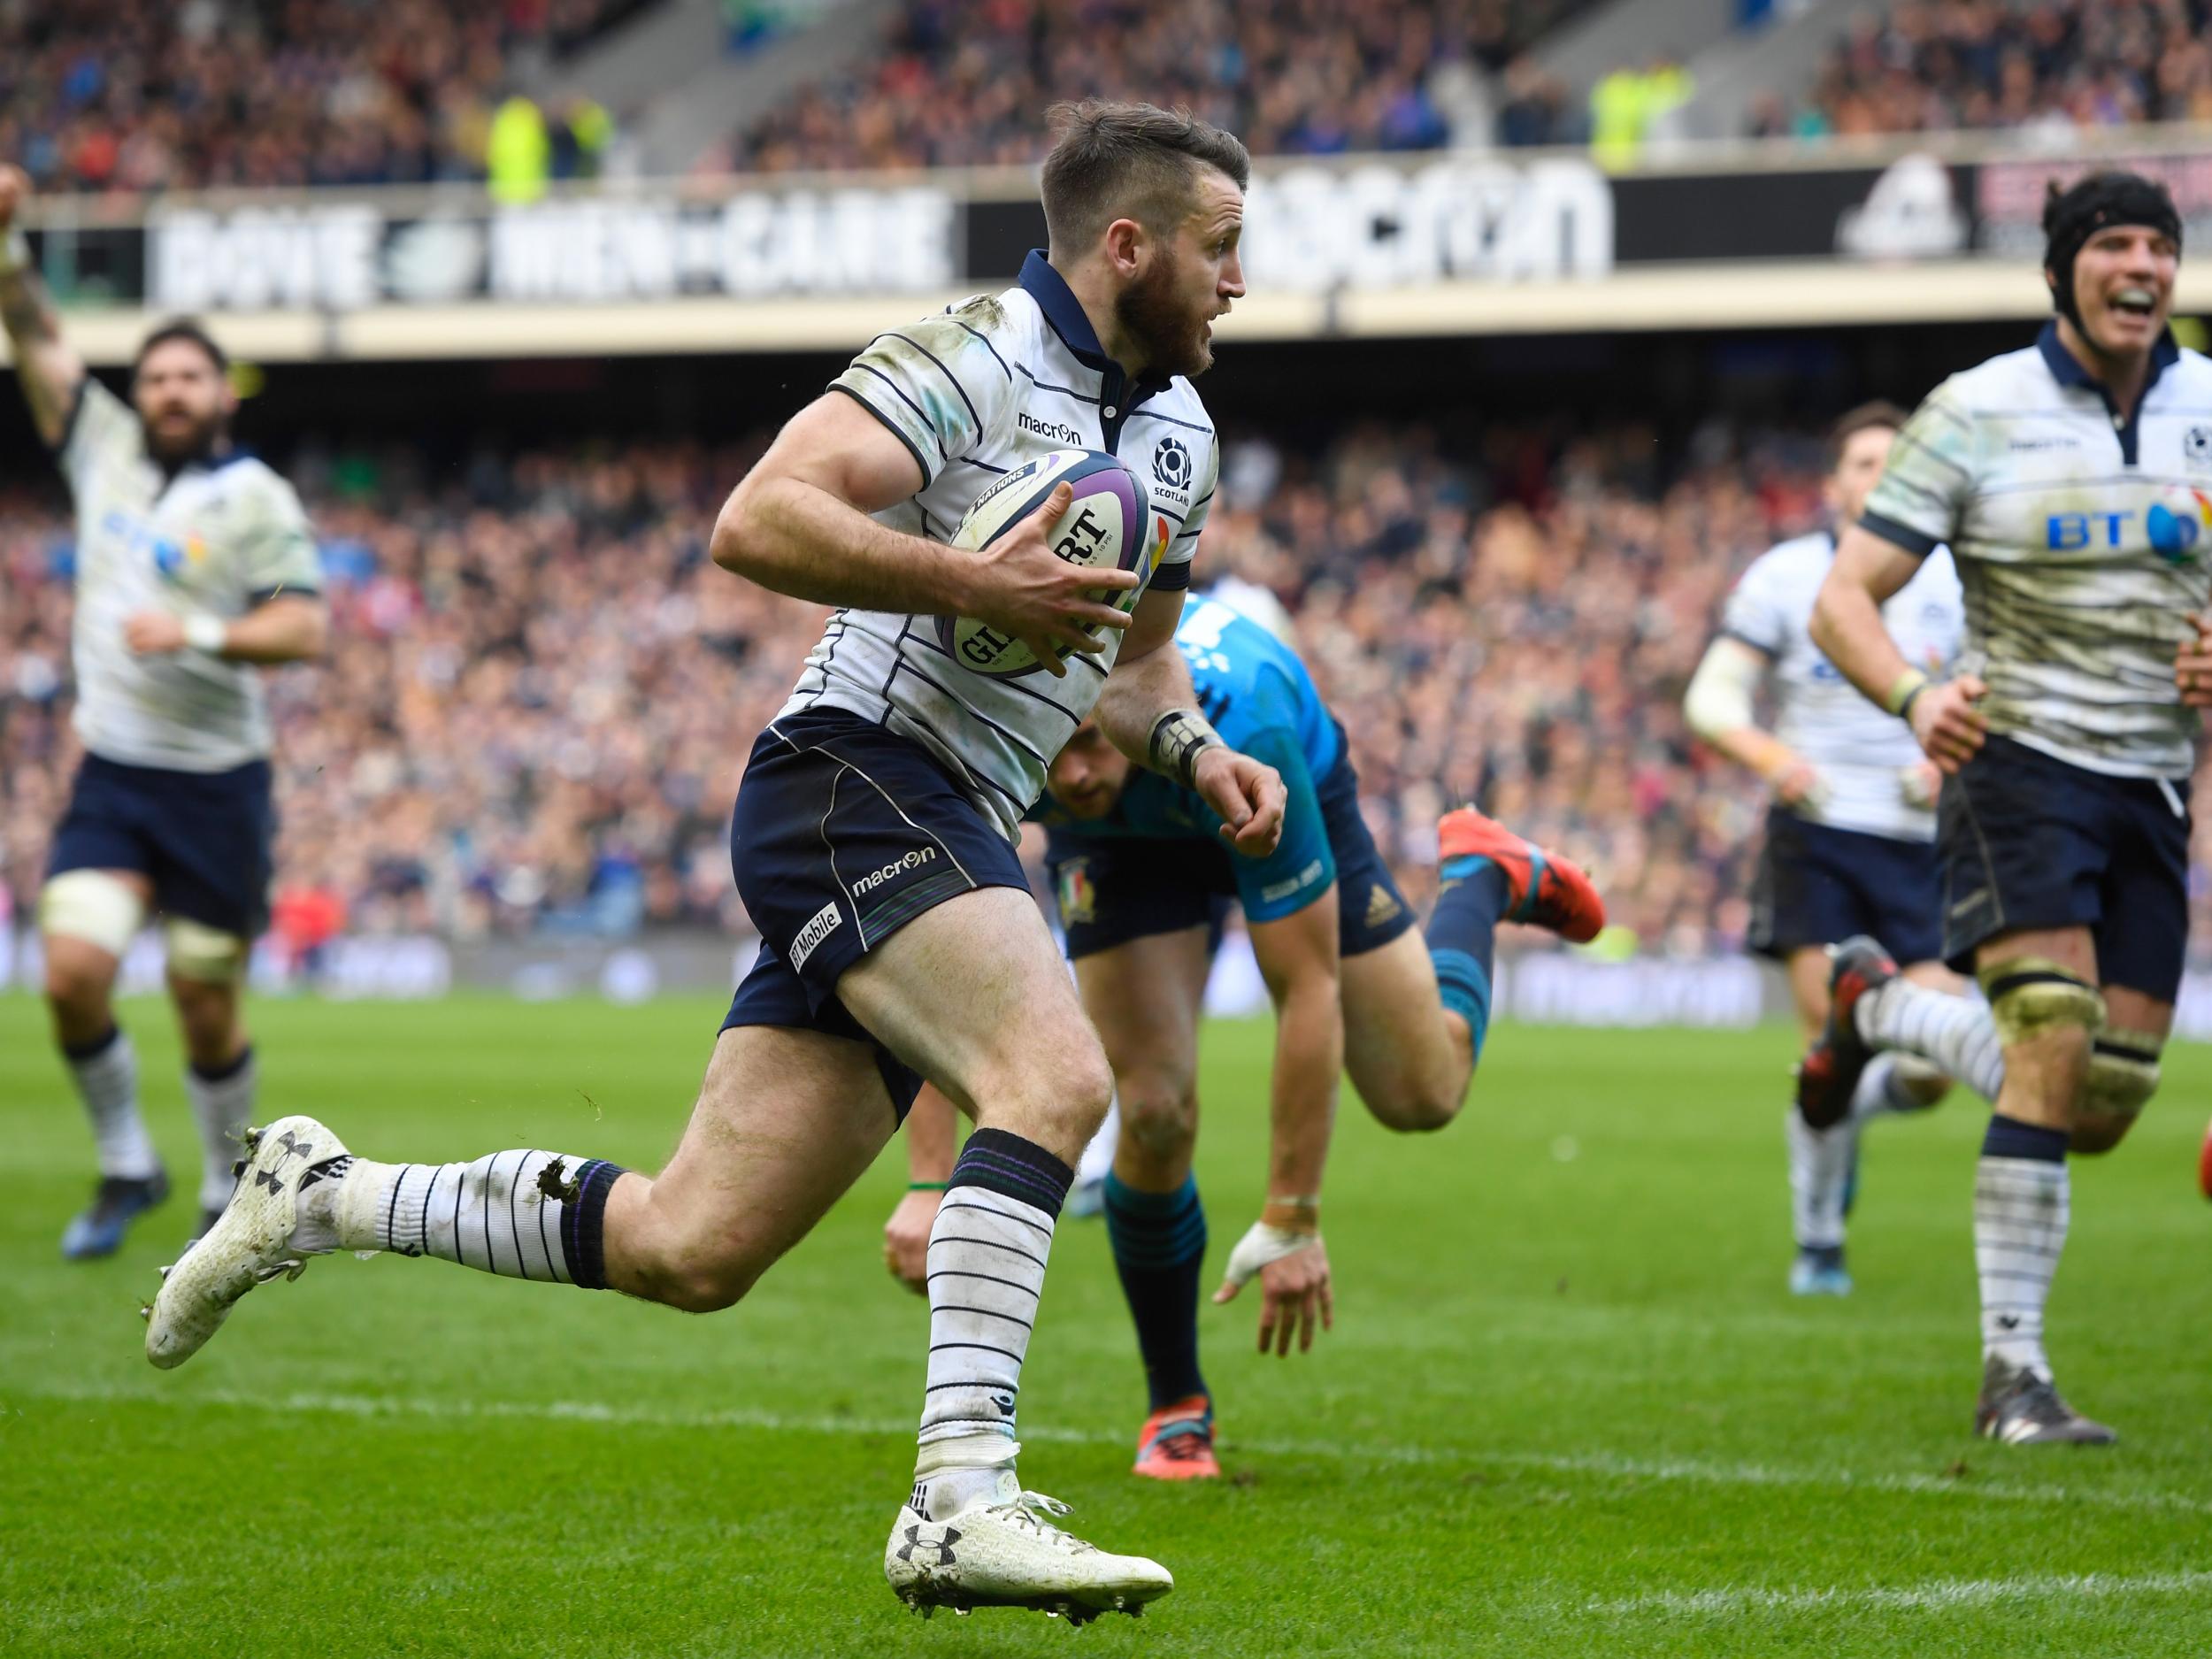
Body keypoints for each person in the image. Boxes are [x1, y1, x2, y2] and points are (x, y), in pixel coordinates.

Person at [146, 100, 1287, 1624]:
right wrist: (964, 575)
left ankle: (325, 1196)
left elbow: (1133, 667)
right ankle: (960, 1499)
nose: (1238, 283)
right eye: (1219, 250)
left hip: (939, 809)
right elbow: (758, 521)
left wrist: (1196, 753)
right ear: (1126, 242)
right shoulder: (976, 352)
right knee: (1056, 1081)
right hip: (853, 775)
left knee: (695, 1246)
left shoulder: (1181, 436)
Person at [885, 594, 1604, 1479]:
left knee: (1423, 1094)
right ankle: (1175, 1405)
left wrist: (1292, 1215)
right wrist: (926, 1182)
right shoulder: (988, 720)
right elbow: (938, 950)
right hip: (1121, 848)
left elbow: (1304, 990)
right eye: (1056, 747)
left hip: (1246, 775)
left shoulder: (1246, 716)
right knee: (1149, 1109)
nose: (1069, 777)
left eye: (1086, 743)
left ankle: (1482, 878)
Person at [1803, 171, 2212, 1445]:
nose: (2141, 264)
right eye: (2114, 243)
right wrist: (1919, 698)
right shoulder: (1975, 410)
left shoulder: (2210, 405)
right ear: (2062, 268)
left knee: (2100, 1097)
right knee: (2050, 1024)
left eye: (2161, 243)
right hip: (2017, 757)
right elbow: (1843, 600)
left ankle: (1884, 1005)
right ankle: (2014, 1377)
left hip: (2153, 775)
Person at [0, 165, 328, 1261]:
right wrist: (7, 246)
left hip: (218, 784)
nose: (172, 390)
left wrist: (194, 632)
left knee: (202, 1006)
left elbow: (303, 631)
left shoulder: (256, 500)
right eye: (156, 376)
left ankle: (227, 1189)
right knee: (73, 974)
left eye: (191, 376)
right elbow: (36, 332)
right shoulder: (96, 447)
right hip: (115, 772)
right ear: (137, 391)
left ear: (222, 392)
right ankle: (128, 1164)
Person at [1683, 403, 1967, 1297]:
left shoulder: (1956, 580)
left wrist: (1953, 759)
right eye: (1862, 463)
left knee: (1929, 1066)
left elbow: (1997, 690)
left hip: (1925, 846)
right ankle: (1818, 1244)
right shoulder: (1785, 576)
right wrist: (1772, 758)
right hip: (1819, 839)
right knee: (1829, 1043)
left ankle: (1846, 1121)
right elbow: (1712, 699)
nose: (1878, 476)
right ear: (1834, 483)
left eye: (1896, 461)